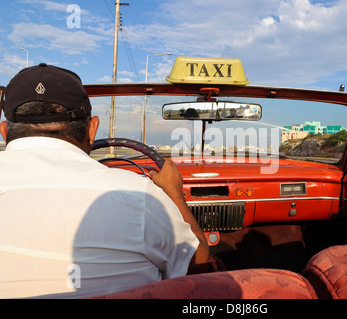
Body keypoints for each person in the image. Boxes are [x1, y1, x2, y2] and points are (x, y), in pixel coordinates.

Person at [0, 64, 209, 298]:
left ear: (4, 132)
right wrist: (173, 192)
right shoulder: (141, 195)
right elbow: (197, 263)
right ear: (92, 129)